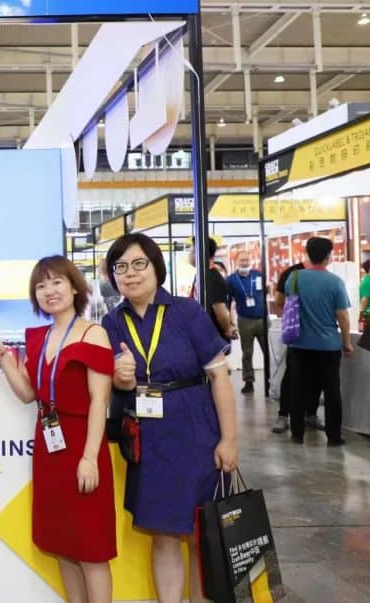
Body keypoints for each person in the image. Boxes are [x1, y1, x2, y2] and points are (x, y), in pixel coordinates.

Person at [102, 233, 238, 603]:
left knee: (200, 533)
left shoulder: (186, 312)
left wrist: (228, 439)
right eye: (121, 267)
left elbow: (219, 376)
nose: (130, 274)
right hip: (149, 441)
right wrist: (122, 377)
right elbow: (112, 382)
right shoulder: (111, 322)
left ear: (156, 267)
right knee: (163, 534)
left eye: (138, 264)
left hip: (197, 432)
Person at [0, 256, 115, 603]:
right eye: (40, 286)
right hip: (49, 449)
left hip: (83, 446)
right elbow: (29, 393)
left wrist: (89, 457)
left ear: (75, 286)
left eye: (57, 282)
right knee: (63, 546)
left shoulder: (94, 334)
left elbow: (99, 401)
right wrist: (5, 360)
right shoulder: (38, 337)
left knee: (91, 548)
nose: (49, 291)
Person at [283, 237, 352, 446]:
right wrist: (347, 342)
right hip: (327, 346)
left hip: (298, 345)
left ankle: (297, 434)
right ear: (329, 256)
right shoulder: (334, 282)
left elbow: (289, 306)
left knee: (298, 389)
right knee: (331, 392)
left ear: (308, 254)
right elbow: (342, 315)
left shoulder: (293, 278)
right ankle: (333, 436)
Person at [270, 261, 323, 434]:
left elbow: (278, 301)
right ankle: (292, 414)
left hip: (299, 333)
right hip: (308, 335)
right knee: (298, 376)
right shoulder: (298, 274)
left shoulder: (293, 274)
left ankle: (292, 416)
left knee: (298, 375)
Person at [226, 251, 266, 394]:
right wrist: (230, 323)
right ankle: (248, 381)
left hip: (262, 319)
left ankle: (270, 379)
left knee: (268, 351)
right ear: (237, 262)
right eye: (242, 260)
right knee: (247, 353)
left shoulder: (258, 275)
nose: (245, 263)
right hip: (245, 320)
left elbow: (264, 293)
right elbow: (227, 302)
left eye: (247, 260)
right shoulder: (231, 280)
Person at [191, 238, 236, 342]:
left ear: (199, 252)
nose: (190, 254)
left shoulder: (213, 277)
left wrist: (227, 329)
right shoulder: (201, 274)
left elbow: (220, 308)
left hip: (213, 338)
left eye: (192, 250)